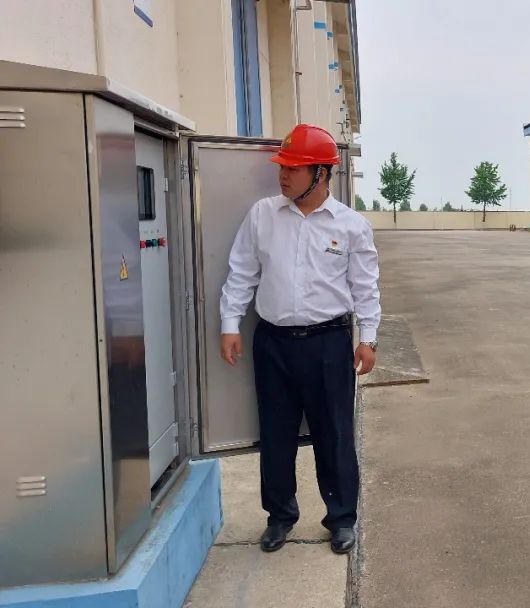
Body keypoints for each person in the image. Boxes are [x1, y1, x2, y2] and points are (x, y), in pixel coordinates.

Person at [219, 124, 380, 554]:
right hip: (272, 343)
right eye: (282, 167)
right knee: (276, 434)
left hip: (328, 344)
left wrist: (368, 338)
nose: (283, 176)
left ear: (321, 173)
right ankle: (279, 517)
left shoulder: (352, 226)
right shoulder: (263, 215)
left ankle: (341, 519)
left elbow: (365, 286)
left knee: (335, 435)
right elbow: (242, 272)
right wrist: (230, 324)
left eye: (293, 168)